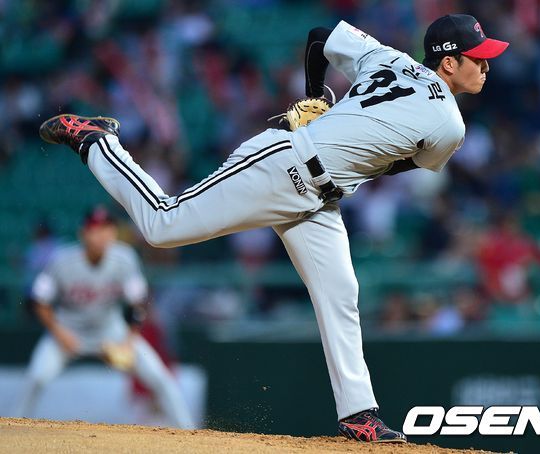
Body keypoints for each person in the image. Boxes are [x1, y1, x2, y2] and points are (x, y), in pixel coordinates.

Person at [38, 14, 508, 442]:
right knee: (163, 225)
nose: (486, 67)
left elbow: (321, 36)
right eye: (478, 58)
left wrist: (315, 94)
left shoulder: (391, 59)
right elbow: (396, 162)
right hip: (283, 166)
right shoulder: (449, 124)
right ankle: (98, 141)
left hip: (319, 198)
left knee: (340, 293)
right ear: (449, 62)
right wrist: (328, 112)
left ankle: (358, 413)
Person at [13, 207, 194, 429]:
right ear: (83, 233)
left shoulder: (124, 258)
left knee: (160, 378)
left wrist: (129, 340)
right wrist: (59, 333)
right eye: (94, 229)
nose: (100, 235)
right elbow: (39, 301)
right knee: (37, 377)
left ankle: (189, 431)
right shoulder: (62, 260)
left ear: (114, 233)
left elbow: (138, 302)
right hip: (69, 329)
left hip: (111, 330)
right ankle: (12, 429)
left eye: (106, 229)